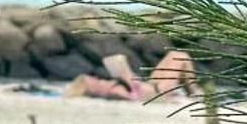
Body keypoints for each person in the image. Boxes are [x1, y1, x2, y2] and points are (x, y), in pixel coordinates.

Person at [64, 48, 197, 102]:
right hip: (158, 92)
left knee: (173, 54)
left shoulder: (107, 87)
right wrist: (128, 76)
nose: (95, 77)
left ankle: (192, 92)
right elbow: (133, 97)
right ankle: (193, 94)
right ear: (91, 88)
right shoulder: (112, 91)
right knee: (181, 57)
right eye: (91, 80)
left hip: (152, 85)